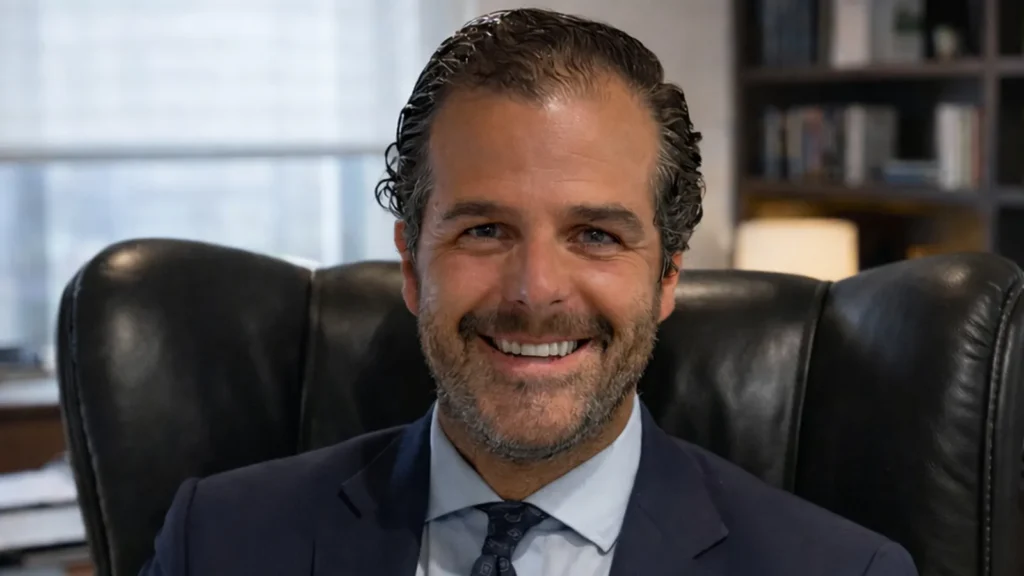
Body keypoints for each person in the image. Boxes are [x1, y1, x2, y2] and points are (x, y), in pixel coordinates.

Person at [139, 8, 919, 576]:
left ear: (667, 276)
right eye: (484, 230)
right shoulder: (218, 541)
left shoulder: (841, 569)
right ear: (412, 265)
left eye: (596, 235)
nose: (535, 290)